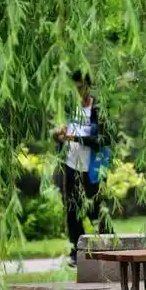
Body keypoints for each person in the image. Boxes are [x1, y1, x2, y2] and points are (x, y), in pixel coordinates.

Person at [53, 70, 112, 267]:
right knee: (72, 209)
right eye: (75, 88)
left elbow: (104, 139)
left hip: (92, 167)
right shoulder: (70, 108)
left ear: (88, 86)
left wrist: (77, 138)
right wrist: (58, 135)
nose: (78, 92)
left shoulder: (98, 109)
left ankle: (107, 247)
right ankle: (75, 250)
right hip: (71, 165)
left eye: (81, 87)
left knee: (97, 208)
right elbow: (63, 131)